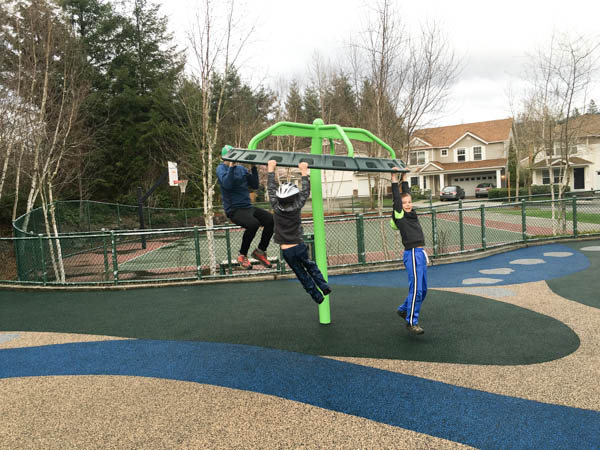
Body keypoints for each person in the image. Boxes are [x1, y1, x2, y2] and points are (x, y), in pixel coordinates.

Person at [267, 160, 331, 304]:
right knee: (311, 266)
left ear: (279, 198)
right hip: (299, 246)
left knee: (301, 274)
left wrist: (271, 169)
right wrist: (303, 171)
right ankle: (323, 286)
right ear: (294, 197)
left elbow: (270, 188)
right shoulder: (297, 206)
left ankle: (317, 296)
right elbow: (305, 191)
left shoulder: (276, 206)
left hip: (287, 250)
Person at [390, 168, 428, 334]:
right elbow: (397, 198)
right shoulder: (400, 215)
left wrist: (404, 177)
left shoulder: (412, 213)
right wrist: (394, 178)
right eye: (404, 203)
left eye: (409, 202)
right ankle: (411, 321)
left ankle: (404, 309)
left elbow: (406, 192)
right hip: (412, 253)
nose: (407, 204)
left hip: (420, 253)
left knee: (423, 290)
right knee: (417, 290)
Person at [216, 160, 274, 269]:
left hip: (247, 207)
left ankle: (260, 251)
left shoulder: (241, 169)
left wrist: (253, 167)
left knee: (271, 219)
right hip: (234, 210)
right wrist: (231, 167)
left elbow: (255, 185)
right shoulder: (221, 169)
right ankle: (242, 255)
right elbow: (227, 185)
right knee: (253, 224)